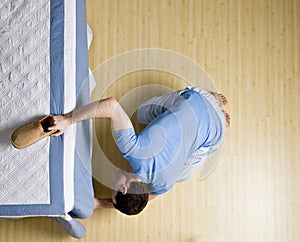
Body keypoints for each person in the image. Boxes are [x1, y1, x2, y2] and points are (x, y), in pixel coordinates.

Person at [49, 86, 230, 215]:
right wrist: (67, 120)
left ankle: (218, 115)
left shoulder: (164, 184)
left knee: (182, 176)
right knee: (141, 114)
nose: (112, 185)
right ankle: (214, 102)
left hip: (216, 132)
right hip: (198, 96)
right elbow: (111, 105)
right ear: (124, 188)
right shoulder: (133, 150)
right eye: (114, 191)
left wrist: (99, 204)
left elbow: (149, 197)